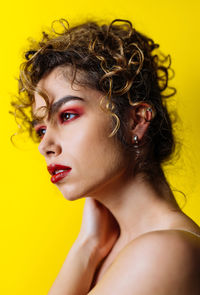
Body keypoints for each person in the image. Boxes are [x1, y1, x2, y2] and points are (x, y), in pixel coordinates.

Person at [11, 18, 200, 294]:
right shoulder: (106, 251)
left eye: (67, 115)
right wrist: (87, 245)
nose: (45, 145)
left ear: (136, 120)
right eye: (41, 129)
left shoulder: (165, 252)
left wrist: (86, 251)